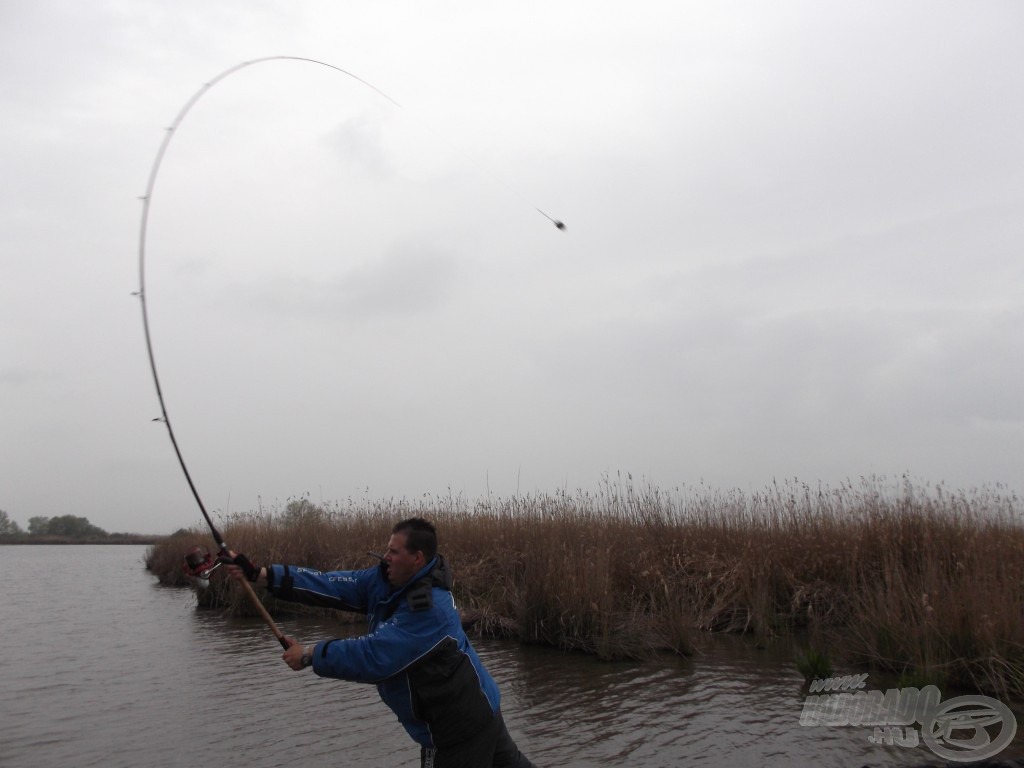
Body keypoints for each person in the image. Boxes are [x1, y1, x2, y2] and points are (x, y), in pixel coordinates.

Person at [224, 517, 539, 768]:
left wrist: (309, 654)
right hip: (481, 710)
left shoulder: (430, 609)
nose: (385, 557)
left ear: (417, 558)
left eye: (394, 552)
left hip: (455, 729)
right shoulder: (385, 579)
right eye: (387, 548)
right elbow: (329, 583)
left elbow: (373, 655)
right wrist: (262, 574)